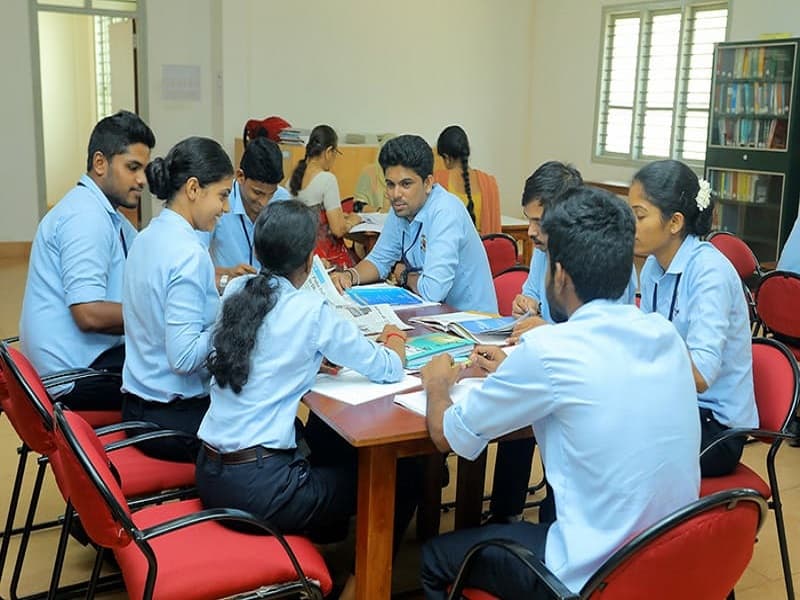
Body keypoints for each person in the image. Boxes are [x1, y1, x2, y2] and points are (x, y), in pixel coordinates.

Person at [419, 186, 701, 599]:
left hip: (592, 574)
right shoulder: (664, 334)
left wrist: (437, 386)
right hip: (670, 558)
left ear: (561, 274)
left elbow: (450, 436)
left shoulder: (550, 350)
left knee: (432, 560)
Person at [196, 200, 419, 600]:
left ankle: (323, 538)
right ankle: (360, 586)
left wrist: (314, 362)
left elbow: (260, 354)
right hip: (263, 489)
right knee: (404, 474)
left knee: (324, 438)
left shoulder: (235, 291)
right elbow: (387, 368)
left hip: (211, 474)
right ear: (311, 259)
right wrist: (395, 338)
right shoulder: (311, 309)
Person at [19, 110, 155, 410]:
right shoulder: (86, 217)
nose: (142, 180)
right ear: (100, 163)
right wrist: (157, 316)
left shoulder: (106, 213)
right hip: (73, 377)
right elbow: (88, 314)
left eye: (144, 169)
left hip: (78, 363)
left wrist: (216, 277)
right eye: (133, 167)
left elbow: (154, 256)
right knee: (185, 379)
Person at [632, 159, 758, 477]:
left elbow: (701, 374)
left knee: (620, 445)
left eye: (638, 216)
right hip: (674, 406)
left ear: (674, 223)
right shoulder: (652, 267)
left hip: (715, 427)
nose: (628, 226)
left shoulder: (709, 272)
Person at [121, 137, 233, 462]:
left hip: (137, 408)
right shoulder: (187, 255)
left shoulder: (145, 237)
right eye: (223, 196)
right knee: (279, 427)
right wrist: (229, 320)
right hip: (172, 420)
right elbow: (183, 359)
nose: (225, 208)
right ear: (194, 188)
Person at [486, 161, 584, 526]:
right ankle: (505, 511)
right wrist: (527, 307)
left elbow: (600, 337)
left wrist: (544, 329)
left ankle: (552, 520)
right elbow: (530, 299)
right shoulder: (544, 251)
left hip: (579, 375)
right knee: (521, 400)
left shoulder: (593, 258)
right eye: (528, 219)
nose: (530, 232)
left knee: (536, 405)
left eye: (538, 222)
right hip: (549, 361)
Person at [331, 134, 497, 314]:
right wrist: (349, 276)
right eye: (390, 184)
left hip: (473, 321)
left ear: (428, 183)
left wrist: (404, 276)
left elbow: (433, 291)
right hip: (435, 314)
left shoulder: (445, 212)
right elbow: (379, 260)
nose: (395, 194)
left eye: (406, 184)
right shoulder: (402, 209)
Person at [202, 136, 290, 288]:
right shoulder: (219, 203)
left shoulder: (282, 199)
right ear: (240, 176)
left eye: (271, 193)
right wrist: (227, 273)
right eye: (257, 193)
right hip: (228, 294)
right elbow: (195, 268)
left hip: (269, 293)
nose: (264, 202)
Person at [289, 124, 361, 267]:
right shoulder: (327, 180)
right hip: (323, 258)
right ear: (329, 152)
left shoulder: (292, 180)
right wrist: (353, 220)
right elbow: (338, 230)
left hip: (297, 256)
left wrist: (340, 216)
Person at [434, 125, 501, 234]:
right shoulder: (489, 182)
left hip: (451, 248)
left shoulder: (438, 180)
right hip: (484, 249)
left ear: (446, 158)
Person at [353, 134, 394, 213]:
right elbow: (357, 206)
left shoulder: (405, 174)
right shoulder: (369, 172)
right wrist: (380, 211)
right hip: (372, 222)